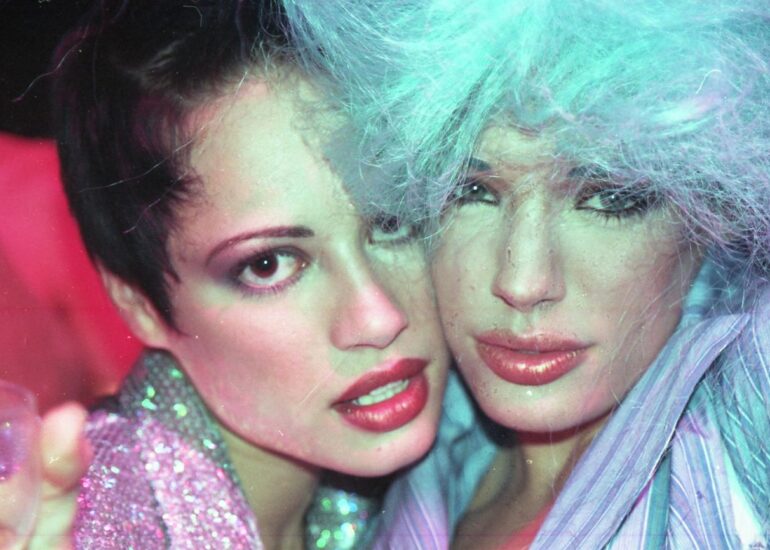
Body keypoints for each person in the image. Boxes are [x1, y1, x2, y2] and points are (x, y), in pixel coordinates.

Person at [285, 0, 770, 547]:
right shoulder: (413, 466)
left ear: (710, 209)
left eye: (610, 198)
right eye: (470, 191)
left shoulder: (745, 426)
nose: (522, 283)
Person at [24, 1, 450, 548]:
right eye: (268, 264)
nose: (379, 316)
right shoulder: (89, 527)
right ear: (140, 305)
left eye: (392, 221)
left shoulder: (406, 493)